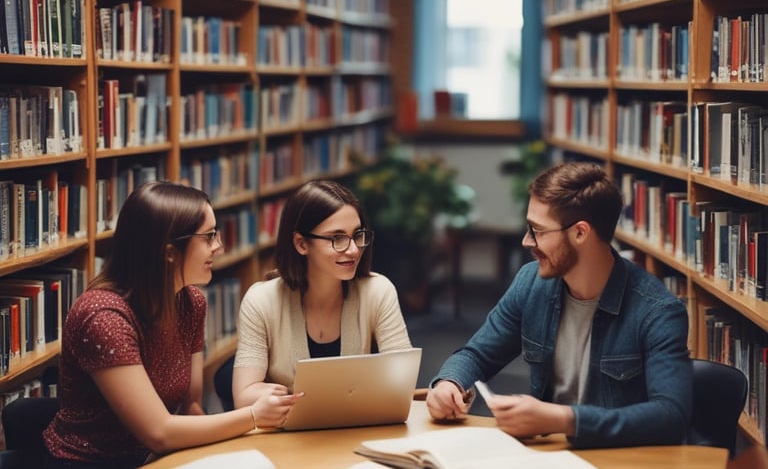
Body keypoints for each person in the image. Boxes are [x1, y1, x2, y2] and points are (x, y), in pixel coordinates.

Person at [425, 161, 692, 449]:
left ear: (580, 233)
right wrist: (449, 383)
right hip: (550, 456)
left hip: (618, 459)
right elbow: (477, 355)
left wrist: (564, 419)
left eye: (537, 230)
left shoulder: (657, 311)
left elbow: (670, 417)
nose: (527, 241)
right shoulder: (531, 284)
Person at [42, 182, 278, 468]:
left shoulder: (190, 302)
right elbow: (159, 432)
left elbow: (191, 407)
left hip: (158, 458)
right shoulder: (103, 317)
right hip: (92, 462)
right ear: (169, 252)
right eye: (209, 237)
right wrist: (253, 415)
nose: (219, 246)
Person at [232, 180, 413, 419]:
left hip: (355, 433)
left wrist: (289, 395)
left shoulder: (378, 291)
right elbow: (243, 398)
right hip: (286, 443)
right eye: (337, 238)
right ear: (301, 243)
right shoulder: (261, 300)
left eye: (357, 235)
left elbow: (402, 384)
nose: (353, 250)